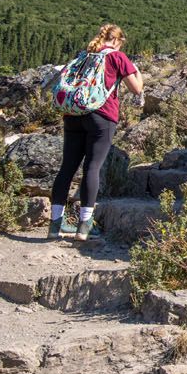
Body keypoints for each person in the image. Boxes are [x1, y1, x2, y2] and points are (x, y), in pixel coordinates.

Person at [49, 24, 143, 241]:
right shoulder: (117, 57)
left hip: (73, 115)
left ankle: (55, 224)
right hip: (101, 116)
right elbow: (136, 88)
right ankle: (85, 225)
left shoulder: (85, 55)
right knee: (92, 168)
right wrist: (136, 70)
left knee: (67, 169)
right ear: (118, 40)